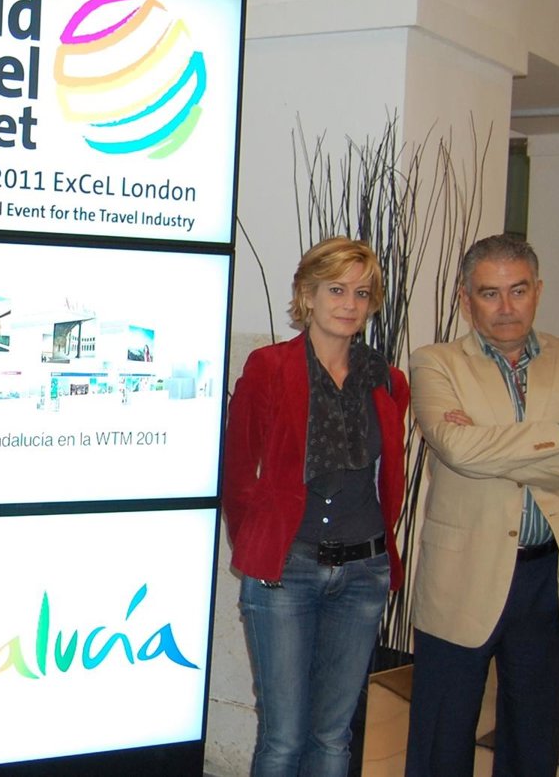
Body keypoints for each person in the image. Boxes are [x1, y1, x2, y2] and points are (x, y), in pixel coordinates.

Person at [405, 234, 559, 776]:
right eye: (490, 293)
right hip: (461, 573)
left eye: (518, 290)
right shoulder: (436, 363)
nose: (506, 307)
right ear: (466, 300)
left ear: (538, 291)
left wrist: (492, 446)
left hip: (548, 577)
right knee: (442, 740)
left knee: (533, 740)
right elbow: (457, 450)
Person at [223, 237, 410, 776]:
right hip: (288, 570)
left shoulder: (386, 379)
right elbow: (239, 473)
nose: (349, 304)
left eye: (361, 293)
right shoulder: (270, 367)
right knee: (283, 737)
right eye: (336, 290)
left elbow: (388, 477)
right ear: (307, 294)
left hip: (364, 572)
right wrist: (264, 547)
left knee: (332, 737)